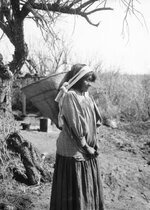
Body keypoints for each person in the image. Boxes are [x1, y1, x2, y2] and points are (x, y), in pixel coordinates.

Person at [50, 63, 105, 210]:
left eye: (91, 79)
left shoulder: (86, 95)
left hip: (88, 149)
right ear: (78, 79)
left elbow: (94, 121)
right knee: (75, 192)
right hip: (75, 150)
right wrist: (86, 146)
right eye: (87, 79)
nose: (89, 83)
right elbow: (75, 127)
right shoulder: (70, 96)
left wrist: (94, 143)